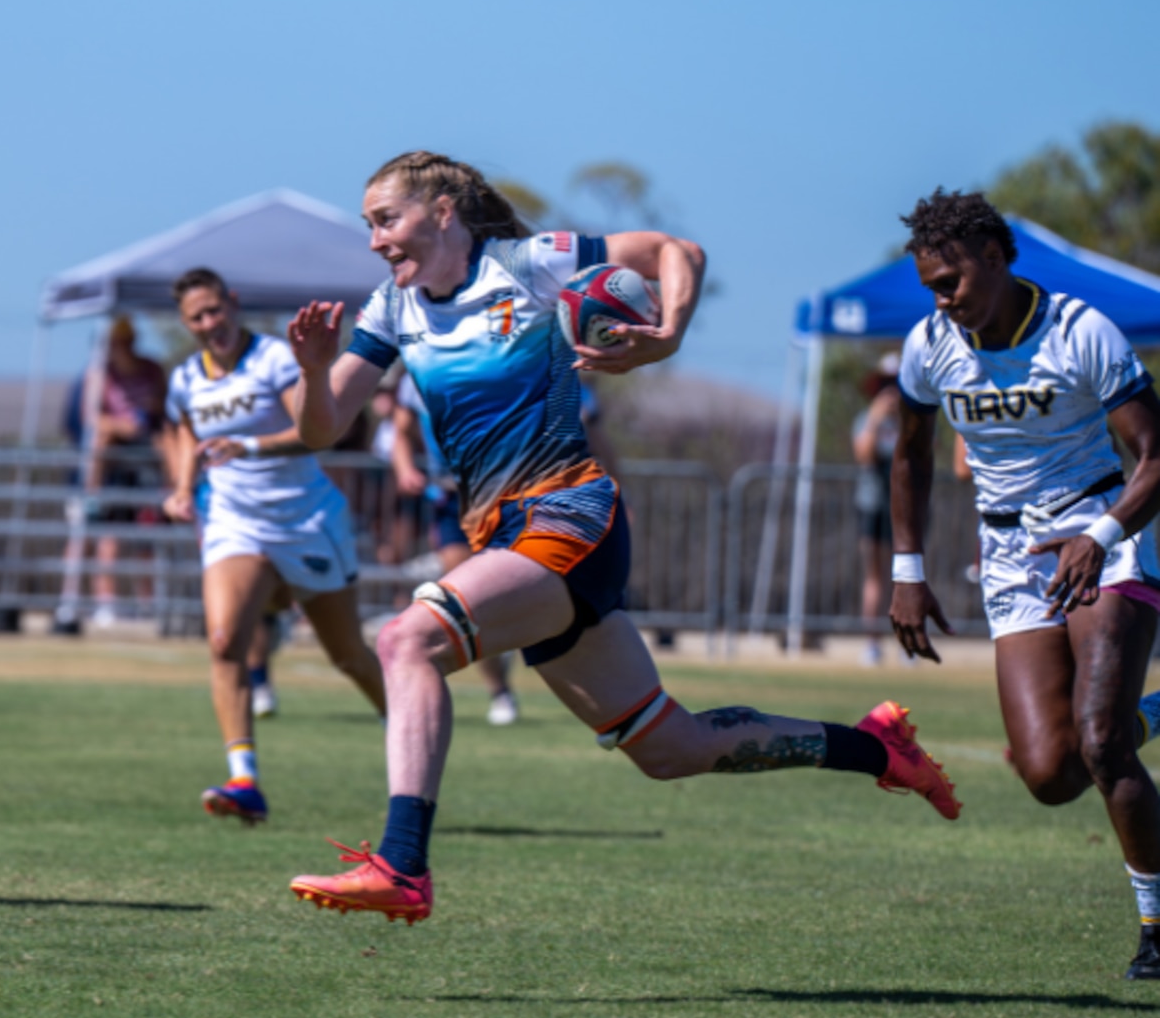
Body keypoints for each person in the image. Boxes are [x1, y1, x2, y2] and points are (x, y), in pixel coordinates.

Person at [283, 151, 958, 925]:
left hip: (567, 514)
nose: (373, 240)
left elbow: (678, 252)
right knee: (670, 749)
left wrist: (666, 335)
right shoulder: (390, 309)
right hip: (505, 535)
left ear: (441, 212)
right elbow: (322, 427)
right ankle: (876, 747)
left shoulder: (530, 263)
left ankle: (401, 864)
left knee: (408, 641)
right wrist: (310, 370)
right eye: (369, 224)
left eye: (385, 220)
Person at [887, 189, 1160, 980]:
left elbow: (1155, 455)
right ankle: (1150, 712)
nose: (941, 299)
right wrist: (909, 571)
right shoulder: (928, 345)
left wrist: (1101, 533)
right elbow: (907, 454)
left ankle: (1154, 927)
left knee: (1101, 741)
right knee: (1048, 774)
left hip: (1105, 536)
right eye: (929, 287)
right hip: (1010, 560)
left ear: (997, 258)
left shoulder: (1081, 332)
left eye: (951, 282)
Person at [161, 267, 387, 823]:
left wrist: (249, 446)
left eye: (215, 310)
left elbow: (315, 431)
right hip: (235, 523)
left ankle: (409, 723)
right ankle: (244, 780)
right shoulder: (187, 377)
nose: (209, 323)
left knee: (348, 655)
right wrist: (183, 488)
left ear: (232, 304)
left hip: (305, 519)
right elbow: (185, 433)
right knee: (222, 642)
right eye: (197, 317)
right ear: (185, 324)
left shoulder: (274, 359)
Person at [391, 372, 519, 725]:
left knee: (499, 601)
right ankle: (499, 690)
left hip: (502, 497)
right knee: (468, 602)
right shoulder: (413, 380)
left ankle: (503, 673)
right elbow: (401, 430)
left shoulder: (490, 364)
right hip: (450, 502)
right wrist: (404, 468)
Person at [55, 315, 168, 631]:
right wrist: (121, 426)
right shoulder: (94, 377)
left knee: (146, 540)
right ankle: (105, 602)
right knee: (107, 537)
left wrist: (141, 423)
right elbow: (89, 423)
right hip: (111, 466)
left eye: (126, 340)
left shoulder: (152, 369)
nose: (123, 347)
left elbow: (161, 409)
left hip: (145, 460)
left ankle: (149, 604)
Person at [852, 354, 902, 666]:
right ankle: (872, 643)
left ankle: (907, 644)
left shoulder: (914, 419)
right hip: (872, 504)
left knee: (905, 575)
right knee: (875, 575)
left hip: (905, 508)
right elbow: (865, 456)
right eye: (886, 385)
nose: (891, 393)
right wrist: (875, 418)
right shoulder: (866, 419)